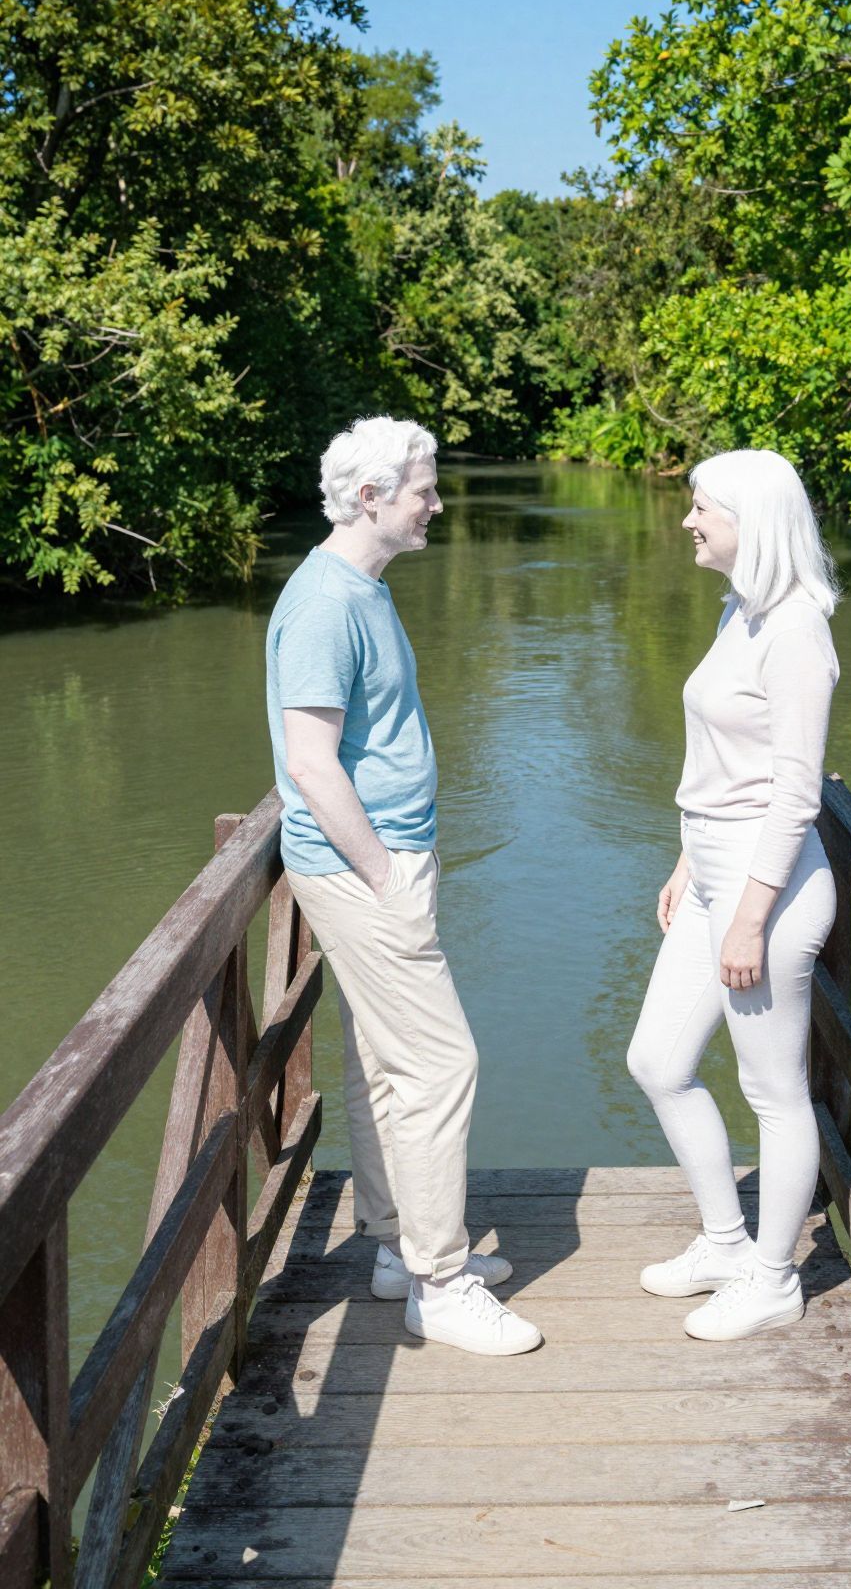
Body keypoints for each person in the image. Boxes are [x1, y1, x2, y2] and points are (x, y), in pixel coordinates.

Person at [266, 415, 542, 1356]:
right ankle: (440, 1282)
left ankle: (394, 1248)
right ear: (371, 497)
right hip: (361, 870)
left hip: (380, 860)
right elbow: (310, 762)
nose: (437, 504)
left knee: (387, 1063)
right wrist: (386, 877)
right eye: (425, 489)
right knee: (440, 1064)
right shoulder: (325, 605)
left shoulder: (363, 587)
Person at [626, 447, 840, 1341]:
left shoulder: (796, 632)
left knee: (773, 1089)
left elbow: (794, 792)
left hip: (769, 889)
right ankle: (723, 1242)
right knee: (657, 1062)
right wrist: (688, 860)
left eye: (701, 507)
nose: (688, 520)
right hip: (714, 871)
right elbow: (722, 761)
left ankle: (774, 1277)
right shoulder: (739, 610)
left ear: (751, 522)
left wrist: (749, 917)